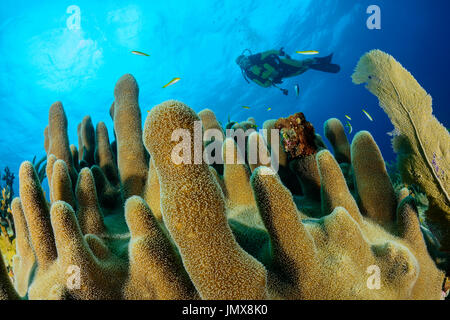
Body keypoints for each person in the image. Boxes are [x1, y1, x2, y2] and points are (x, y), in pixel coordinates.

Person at [236, 48, 340, 95]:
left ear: (246, 57)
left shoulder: (254, 58)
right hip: (280, 75)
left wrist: (279, 52)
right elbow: (263, 84)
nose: (245, 62)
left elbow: (268, 52)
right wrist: (270, 78)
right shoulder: (249, 74)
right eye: (242, 63)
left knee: (300, 63)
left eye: (244, 59)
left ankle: (319, 60)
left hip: (281, 63)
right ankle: (313, 66)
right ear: (241, 66)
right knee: (300, 71)